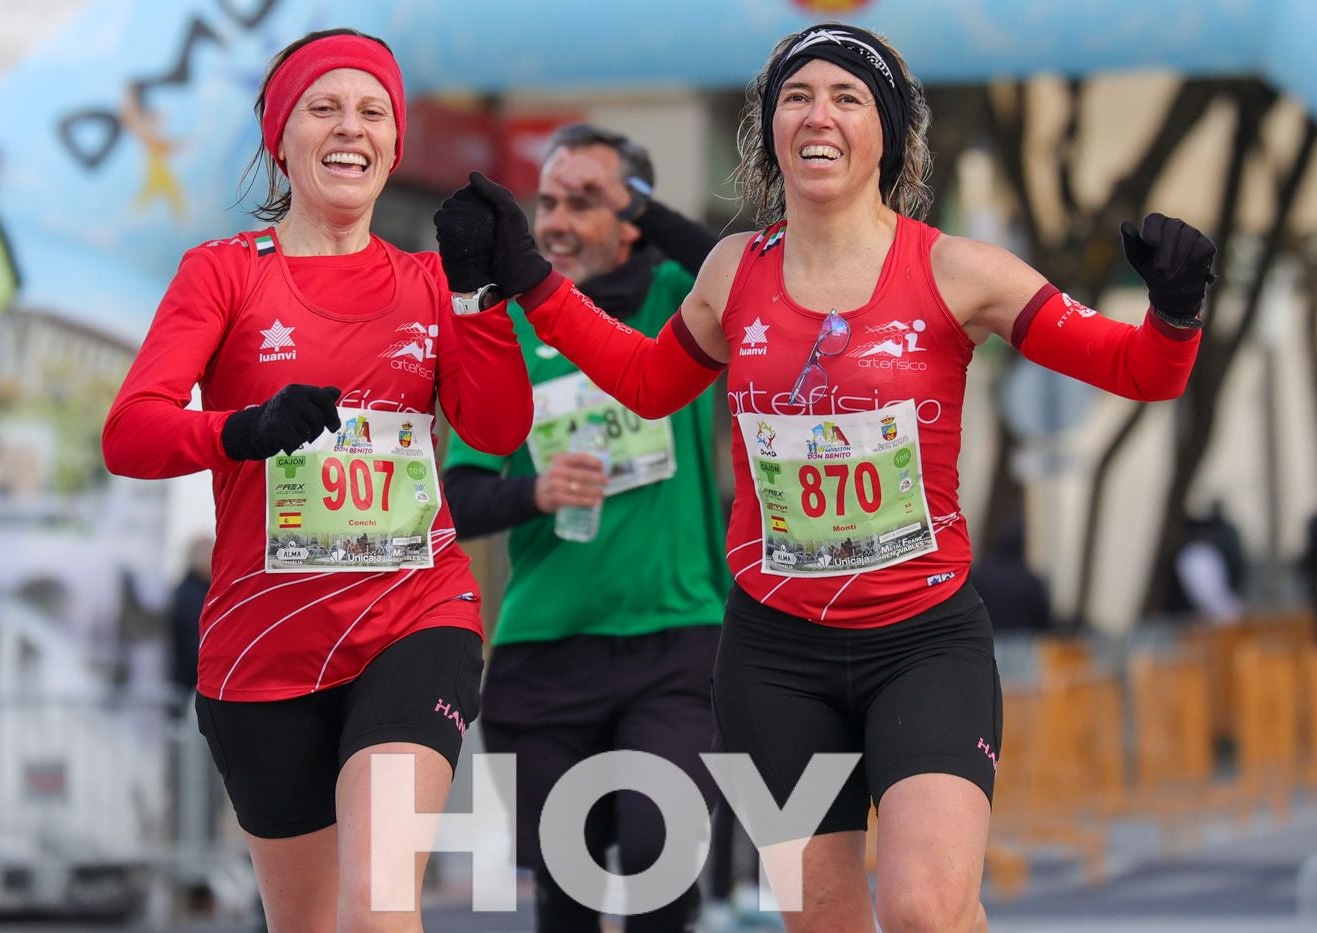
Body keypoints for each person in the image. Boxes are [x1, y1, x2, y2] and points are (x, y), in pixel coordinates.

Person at [435, 22, 1215, 933]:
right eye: (796, 97)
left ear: (888, 134)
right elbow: (648, 382)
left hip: (922, 640)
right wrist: (530, 277)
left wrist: (1175, 310)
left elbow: (1140, 371)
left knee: (925, 911)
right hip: (775, 655)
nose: (819, 115)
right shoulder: (734, 271)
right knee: (824, 922)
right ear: (769, 128)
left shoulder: (957, 269)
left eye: (847, 97)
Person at [101, 28, 533, 932]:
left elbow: (497, 429)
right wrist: (244, 429)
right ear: (279, 137)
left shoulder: (432, 283)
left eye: (373, 111)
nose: (350, 128)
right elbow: (130, 433)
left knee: (378, 903)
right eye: (323, 108)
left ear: (395, 143)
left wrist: (478, 298)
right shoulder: (222, 274)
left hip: (414, 617)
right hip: (263, 647)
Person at [441, 123, 728, 933]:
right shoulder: (508, 329)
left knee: (656, 851)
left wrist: (644, 207)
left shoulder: (679, 301)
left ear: (630, 217)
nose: (557, 221)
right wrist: (535, 492)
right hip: (545, 651)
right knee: (566, 890)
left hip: (677, 639)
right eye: (548, 203)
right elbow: (457, 498)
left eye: (585, 201)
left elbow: (745, 276)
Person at [972, 521, 1051, 633]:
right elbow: (1042, 617)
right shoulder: (1029, 580)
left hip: (989, 635)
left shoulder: (981, 574)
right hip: (1021, 639)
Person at [169, 533, 214, 697]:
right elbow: (196, 645)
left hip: (187, 681)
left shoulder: (187, 591)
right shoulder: (195, 596)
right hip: (192, 684)